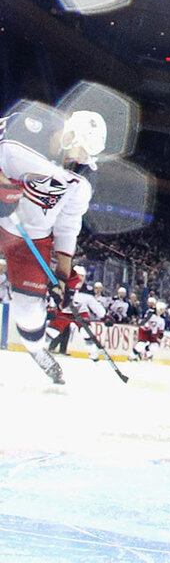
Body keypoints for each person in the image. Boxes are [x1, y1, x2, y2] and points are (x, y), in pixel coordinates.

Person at [0, 105, 106, 383]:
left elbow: (68, 225)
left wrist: (63, 272)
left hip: (31, 239)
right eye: (83, 152)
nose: (83, 161)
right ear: (70, 135)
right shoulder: (27, 127)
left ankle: (37, 350)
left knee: (28, 308)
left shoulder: (81, 180)